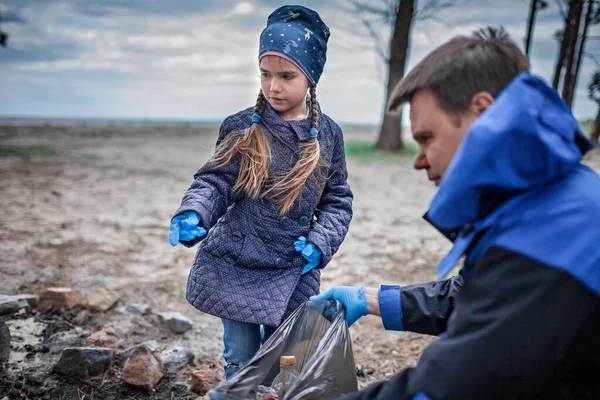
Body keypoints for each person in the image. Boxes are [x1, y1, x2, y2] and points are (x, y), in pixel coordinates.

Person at [312, 27, 600, 399]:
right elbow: (478, 297)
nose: (418, 161)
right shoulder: (550, 199)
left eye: (427, 138)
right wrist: (367, 298)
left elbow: (452, 387)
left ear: (481, 112)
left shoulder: (558, 232)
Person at [168, 5, 353, 380]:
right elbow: (215, 181)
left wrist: (320, 242)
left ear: (311, 77)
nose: (274, 86)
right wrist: (195, 213)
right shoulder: (242, 127)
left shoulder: (329, 136)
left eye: (287, 76)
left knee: (285, 359)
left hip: (292, 266)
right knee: (240, 357)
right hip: (235, 261)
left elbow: (338, 201)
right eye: (265, 74)